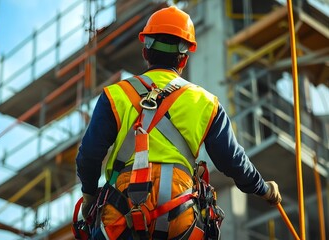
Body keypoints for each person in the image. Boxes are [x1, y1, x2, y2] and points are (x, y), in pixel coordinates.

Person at [76, 5, 282, 239]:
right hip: (180, 214)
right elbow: (232, 161)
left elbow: (89, 156)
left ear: (145, 52)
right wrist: (264, 189)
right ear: (184, 58)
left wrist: (90, 197)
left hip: (119, 214)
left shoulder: (115, 95)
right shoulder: (206, 102)